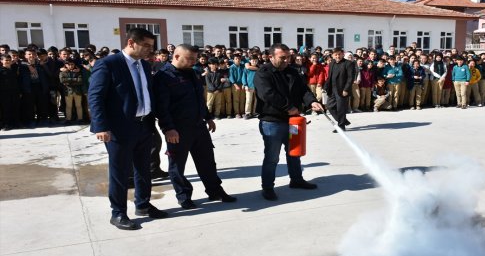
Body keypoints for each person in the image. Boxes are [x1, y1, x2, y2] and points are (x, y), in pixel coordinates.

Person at [88, 28, 168, 230]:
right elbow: (95, 96)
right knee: (120, 173)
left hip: (144, 125)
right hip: (119, 129)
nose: (150, 50)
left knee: (144, 170)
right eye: (147, 46)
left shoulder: (144, 64)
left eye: (152, 46)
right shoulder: (108, 64)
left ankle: (142, 205)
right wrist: (101, 126)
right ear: (131, 43)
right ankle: (118, 213)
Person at [153, 44, 236, 209]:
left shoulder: (193, 73)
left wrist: (208, 117)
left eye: (194, 59)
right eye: (189, 59)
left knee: (207, 162)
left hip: (198, 126)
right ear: (176, 56)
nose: (193, 62)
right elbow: (161, 107)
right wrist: (168, 128)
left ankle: (215, 191)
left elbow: (199, 98)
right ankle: (184, 196)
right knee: (177, 166)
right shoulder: (163, 77)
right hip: (177, 129)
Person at [253, 43, 325, 201]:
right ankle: (267, 187)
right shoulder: (263, 73)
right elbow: (268, 94)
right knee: (272, 157)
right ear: (270, 57)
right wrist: (289, 107)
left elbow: (303, 90)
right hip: (272, 122)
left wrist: (311, 101)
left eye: (288, 57)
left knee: (294, 152)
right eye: (282, 58)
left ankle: (296, 179)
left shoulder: (292, 71)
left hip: (292, 121)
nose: (286, 61)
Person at [324, 47, 355, 132]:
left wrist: (346, 89)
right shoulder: (332, 63)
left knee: (341, 108)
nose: (337, 56)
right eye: (335, 55)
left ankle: (341, 126)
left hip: (342, 90)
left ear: (342, 54)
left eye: (339, 54)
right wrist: (326, 87)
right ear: (333, 55)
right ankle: (343, 120)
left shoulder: (348, 63)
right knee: (329, 106)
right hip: (332, 89)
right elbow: (329, 77)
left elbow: (350, 78)